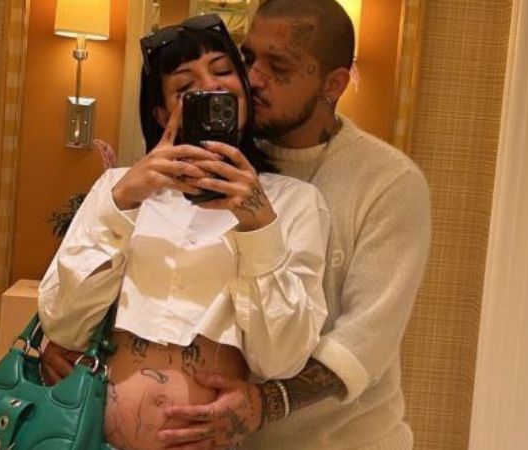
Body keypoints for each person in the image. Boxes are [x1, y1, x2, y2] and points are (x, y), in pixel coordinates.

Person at [37, 14, 330, 450]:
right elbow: (64, 324)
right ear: (161, 113)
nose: (209, 87)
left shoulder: (294, 204)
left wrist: (258, 225)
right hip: (90, 440)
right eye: (185, 86)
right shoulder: (118, 188)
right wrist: (123, 202)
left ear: (243, 90)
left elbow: (281, 359)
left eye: (222, 71)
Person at [154, 1, 431, 449]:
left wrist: (263, 404)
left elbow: (364, 342)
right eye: (247, 58)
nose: (253, 78)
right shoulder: (218, 157)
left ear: (333, 84)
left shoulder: (388, 182)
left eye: (278, 66)